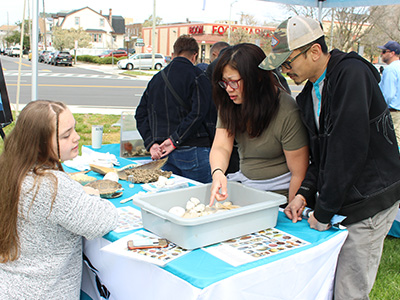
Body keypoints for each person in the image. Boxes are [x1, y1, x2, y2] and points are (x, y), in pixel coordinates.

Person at [260, 15, 400, 300]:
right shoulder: (309, 93)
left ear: (314, 51)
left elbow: (347, 150)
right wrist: (304, 194)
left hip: (370, 199)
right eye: (280, 66)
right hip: (345, 197)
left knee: (349, 291)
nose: (286, 71)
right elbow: (321, 155)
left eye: (288, 62)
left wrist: (323, 211)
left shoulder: (351, 74)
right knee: (327, 282)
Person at [0, 100, 119, 299]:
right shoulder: (51, 186)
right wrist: (94, 196)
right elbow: (102, 220)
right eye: (66, 135)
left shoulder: (10, 170)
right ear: (39, 144)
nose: (77, 137)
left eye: (74, 129)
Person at [209, 43, 309, 206]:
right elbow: (221, 146)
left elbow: (299, 173)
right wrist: (218, 172)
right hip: (246, 187)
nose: (228, 89)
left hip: (279, 195)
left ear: (256, 78)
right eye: (224, 82)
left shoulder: (286, 110)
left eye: (234, 82)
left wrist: (292, 208)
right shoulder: (229, 103)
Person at [135, 35, 216, 183]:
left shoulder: (156, 79)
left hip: (162, 152)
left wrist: (151, 143)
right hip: (194, 149)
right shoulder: (198, 76)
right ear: (195, 56)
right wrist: (174, 140)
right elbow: (199, 113)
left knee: (171, 200)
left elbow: (140, 115)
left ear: (173, 54)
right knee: (203, 200)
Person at [378, 40, 400, 145]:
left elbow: (388, 95)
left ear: (392, 53)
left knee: (392, 143)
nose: (381, 54)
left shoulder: (390, 70)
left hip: (393, 113)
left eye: (384, 51)